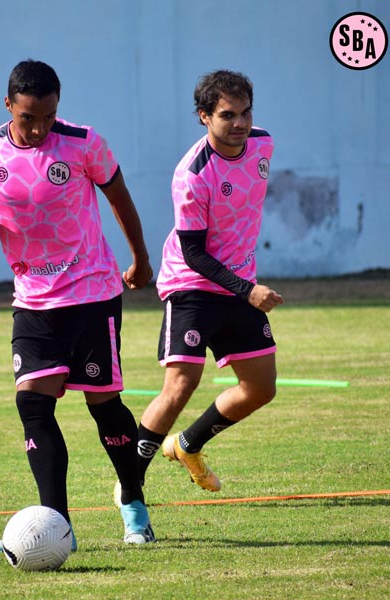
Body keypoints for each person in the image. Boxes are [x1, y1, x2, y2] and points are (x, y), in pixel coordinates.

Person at [0, 59, 155, 548]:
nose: (40, 127)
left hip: (91, 290)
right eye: (29, 118)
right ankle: (56, 527)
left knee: (103, 404)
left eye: (48, 116)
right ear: (8, 106)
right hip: (32, 299)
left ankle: (133, 501)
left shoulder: (83, 140)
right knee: (33, 404)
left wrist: (140, 258)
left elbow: (119, 195)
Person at [134, 69, 283, 494]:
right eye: (227, 115)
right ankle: (131, 485)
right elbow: (194, 253)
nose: (239, 123)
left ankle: (187, 444)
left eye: (246, 112)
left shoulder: (263, 144)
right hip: (192, 285)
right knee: (180, 386)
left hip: (238, 284)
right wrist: (249, 290)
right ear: (204, 116)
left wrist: (244, 285)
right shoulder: (193, 174)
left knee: (260, 388)